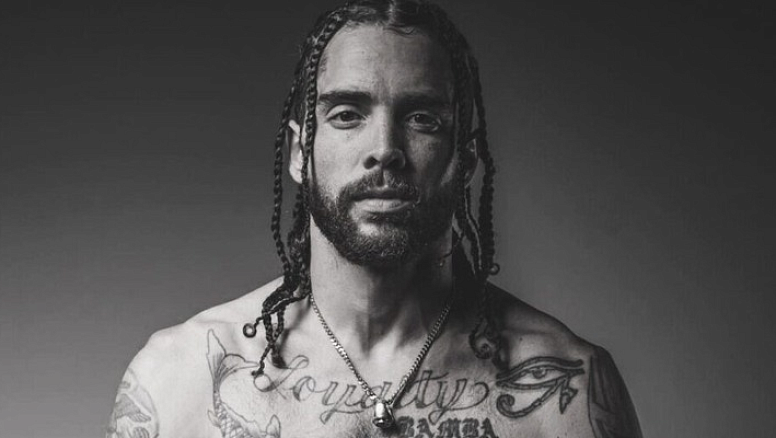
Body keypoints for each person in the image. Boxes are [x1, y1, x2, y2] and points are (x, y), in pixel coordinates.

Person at [107, 1, 643, 437]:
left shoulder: (570, 396)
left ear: (465, 159)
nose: (385, 148)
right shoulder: (178, 381)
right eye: (347, 115)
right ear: (300, 152)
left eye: (422, 118)